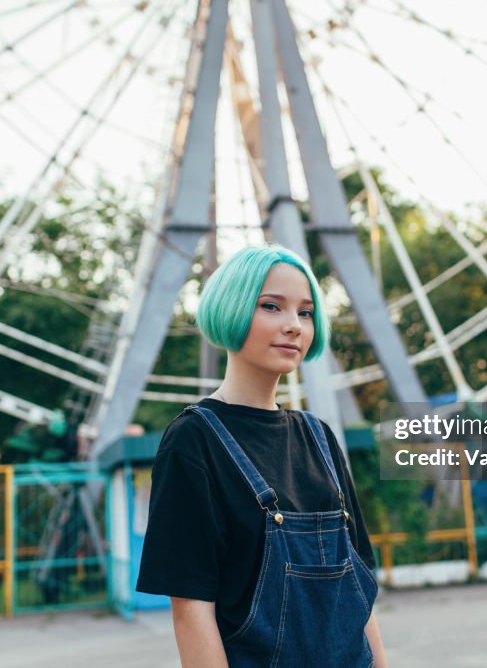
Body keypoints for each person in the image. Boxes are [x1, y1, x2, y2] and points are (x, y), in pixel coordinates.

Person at [136, 245, 388, 667]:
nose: (293, 325)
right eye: (272, 306)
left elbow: (358, 593)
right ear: (230, 309)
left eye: (305, 313)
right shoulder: (194, 440)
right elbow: (192, 608)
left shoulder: (319, 438)